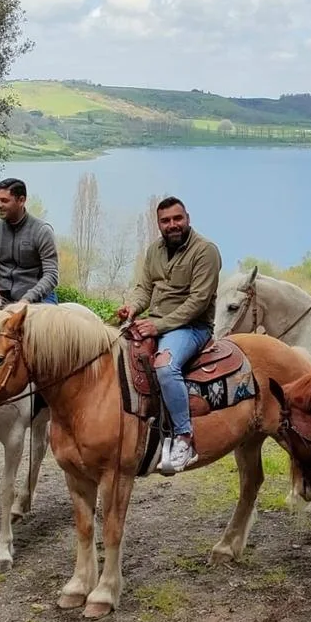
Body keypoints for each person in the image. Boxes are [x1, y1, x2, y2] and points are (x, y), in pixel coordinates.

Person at [115, 198, 223, 476]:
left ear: (188, 218)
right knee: (113, 353)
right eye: (165, 221)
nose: (172, 225)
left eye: (177, 218)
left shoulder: (206, 251)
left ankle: (184, 437)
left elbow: (198, 302)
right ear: (159, 224)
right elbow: (144, 288)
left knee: (165, 367)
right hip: (156, 321)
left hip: (192, 327)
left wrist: (158, 326)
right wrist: (133, 307)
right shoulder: (154, 250)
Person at [0, 178, 59, 306]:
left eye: (4, 200)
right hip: (3, 298)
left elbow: (51, 275)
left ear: (21, 200)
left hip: (40, 298)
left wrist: (27, 299)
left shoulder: (42, 231)